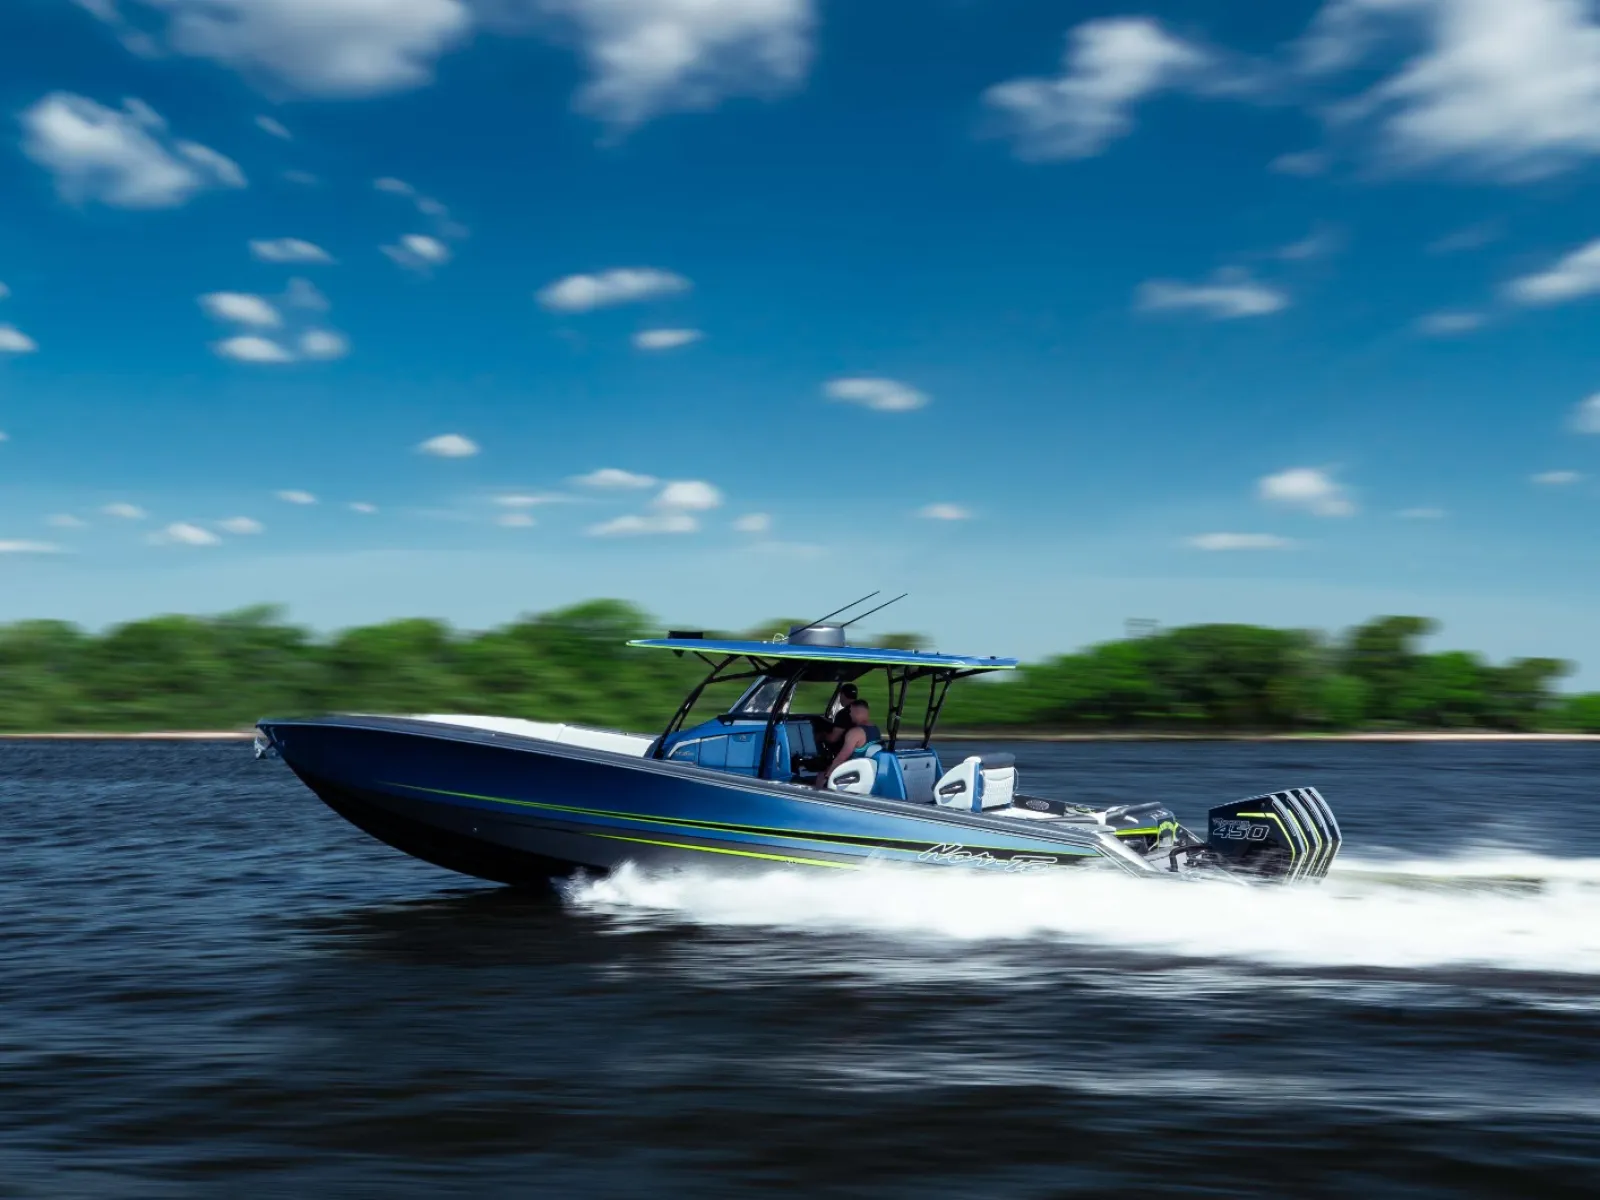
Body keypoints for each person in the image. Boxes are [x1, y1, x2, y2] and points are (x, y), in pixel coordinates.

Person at [815, 699, 881, 788]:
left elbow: (841, 758)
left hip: (853, 773)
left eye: (850, 711)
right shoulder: (875, 729)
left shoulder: (854, 732)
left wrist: (827, 775)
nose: (850, 714)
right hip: (867, 772)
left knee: (820, 775)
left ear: (855, 711)